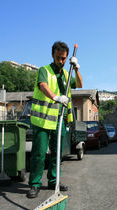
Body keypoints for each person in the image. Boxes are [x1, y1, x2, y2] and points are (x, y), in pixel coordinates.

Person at [27, 41, 83, 198]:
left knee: (57, 154)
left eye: (64, 58)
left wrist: (77, 69)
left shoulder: (66, 73)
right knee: (39, 153)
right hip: (43, 120)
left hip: (59, 120)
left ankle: (53, 181)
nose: (61, 61)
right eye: (59, 58)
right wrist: (56, 97)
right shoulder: (44, 70)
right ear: (53, 55)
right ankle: (35, 184)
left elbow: (79, 84)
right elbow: (43, 86)